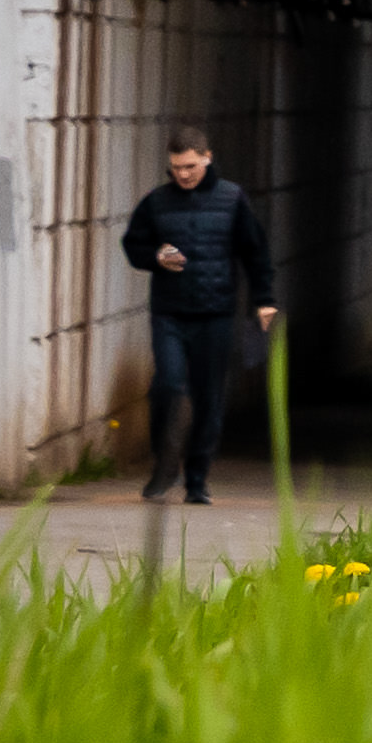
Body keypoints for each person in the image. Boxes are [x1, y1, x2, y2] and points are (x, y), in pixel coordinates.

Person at [116, 126, 273, 509]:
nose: (183, 174)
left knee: (208, 396)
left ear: (207, 157)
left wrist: (264, 300)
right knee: (167, 385)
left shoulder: (232, 200)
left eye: (189, 166)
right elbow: (133, 245)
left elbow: (255, 252)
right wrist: (156, 256)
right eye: (176, 167)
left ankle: (197, 479)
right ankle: (164, 461)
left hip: (216, 313)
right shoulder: (156, 202)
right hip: (169, 312)